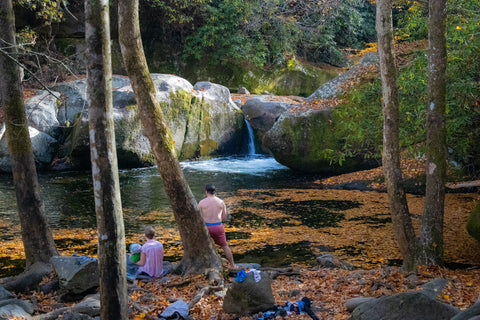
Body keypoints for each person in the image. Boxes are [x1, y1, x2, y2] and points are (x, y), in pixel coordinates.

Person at [199, 184, 236, 268]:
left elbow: (199, 217)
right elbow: (223, 217)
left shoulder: (202, 202)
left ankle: (204, 266)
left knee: (203, 246)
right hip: (218, 226)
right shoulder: (221, 202)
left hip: (206, 227)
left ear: (206, 192)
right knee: (225, 246)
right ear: (215, 192)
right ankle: (233, 265)